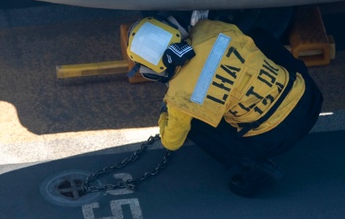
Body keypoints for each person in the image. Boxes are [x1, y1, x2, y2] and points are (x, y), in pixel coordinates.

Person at [125, 13, 323, 197]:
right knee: (257, 36)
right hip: (310, 99)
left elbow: (171, 142)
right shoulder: (212, 29)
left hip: (275, 139)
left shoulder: (180, 96)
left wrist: (166, 110)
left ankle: (253, 169)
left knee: (191, 124)